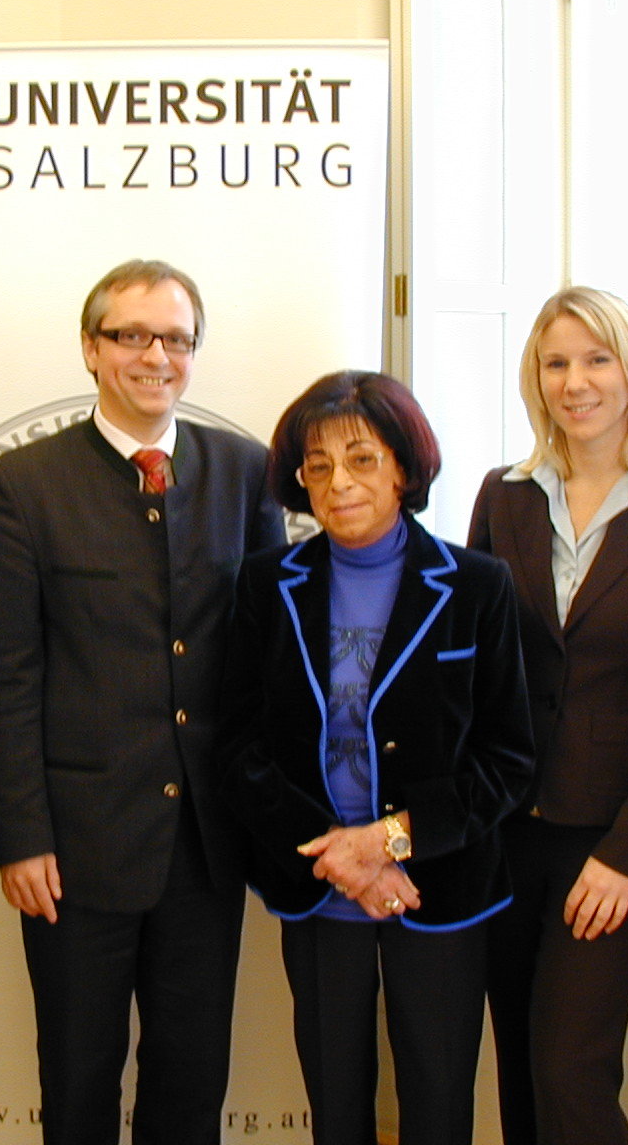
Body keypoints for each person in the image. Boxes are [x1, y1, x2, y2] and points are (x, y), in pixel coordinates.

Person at [0, 259, 285, 1145]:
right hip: (75, 848)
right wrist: (19, 835)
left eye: (175, 338)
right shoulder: (24, 485)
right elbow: (0, 674)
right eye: (131, 335)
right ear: (91, 348)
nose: (155, 356)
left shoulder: (247, 472)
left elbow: (264, 664)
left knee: (192, 1077)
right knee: (78, 1075)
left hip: (204, 846)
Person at [218, 369, 534, 1145]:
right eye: (316, 465)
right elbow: (240, 741)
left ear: (403, 466)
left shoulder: (475, 586)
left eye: (360, 458)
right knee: (336, 1106)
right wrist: (338, 856)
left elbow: (508, 759)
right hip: (320, 885)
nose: (337, 483)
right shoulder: (268, 583)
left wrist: (386, 844)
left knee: (436, 1106)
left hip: (441, 889)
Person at [467, 287, 628, 1145]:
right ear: (534, 380)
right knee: (521, 1070)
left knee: (570, 1065)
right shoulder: (502, 495)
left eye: (595, 358)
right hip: (506, 832)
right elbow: (472, 668)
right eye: (555, 363)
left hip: (611, 838)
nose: (575, 382)